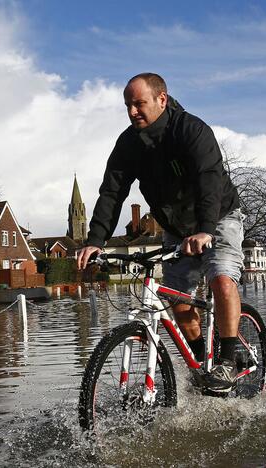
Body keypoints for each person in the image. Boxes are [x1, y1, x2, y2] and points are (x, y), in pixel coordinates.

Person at [76, 73, 244, 393]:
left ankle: (228, 360)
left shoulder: (191, 131)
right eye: (128, 105)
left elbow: (210, 180)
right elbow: (112, 193)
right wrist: (95, 241)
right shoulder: (129, 144)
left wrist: (206, 230)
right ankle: (200, 367)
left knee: (221, 279)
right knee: (177, 300)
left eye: (139, 104)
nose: (132, 112)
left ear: (161, 100)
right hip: (176, 230)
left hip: (217, 219)